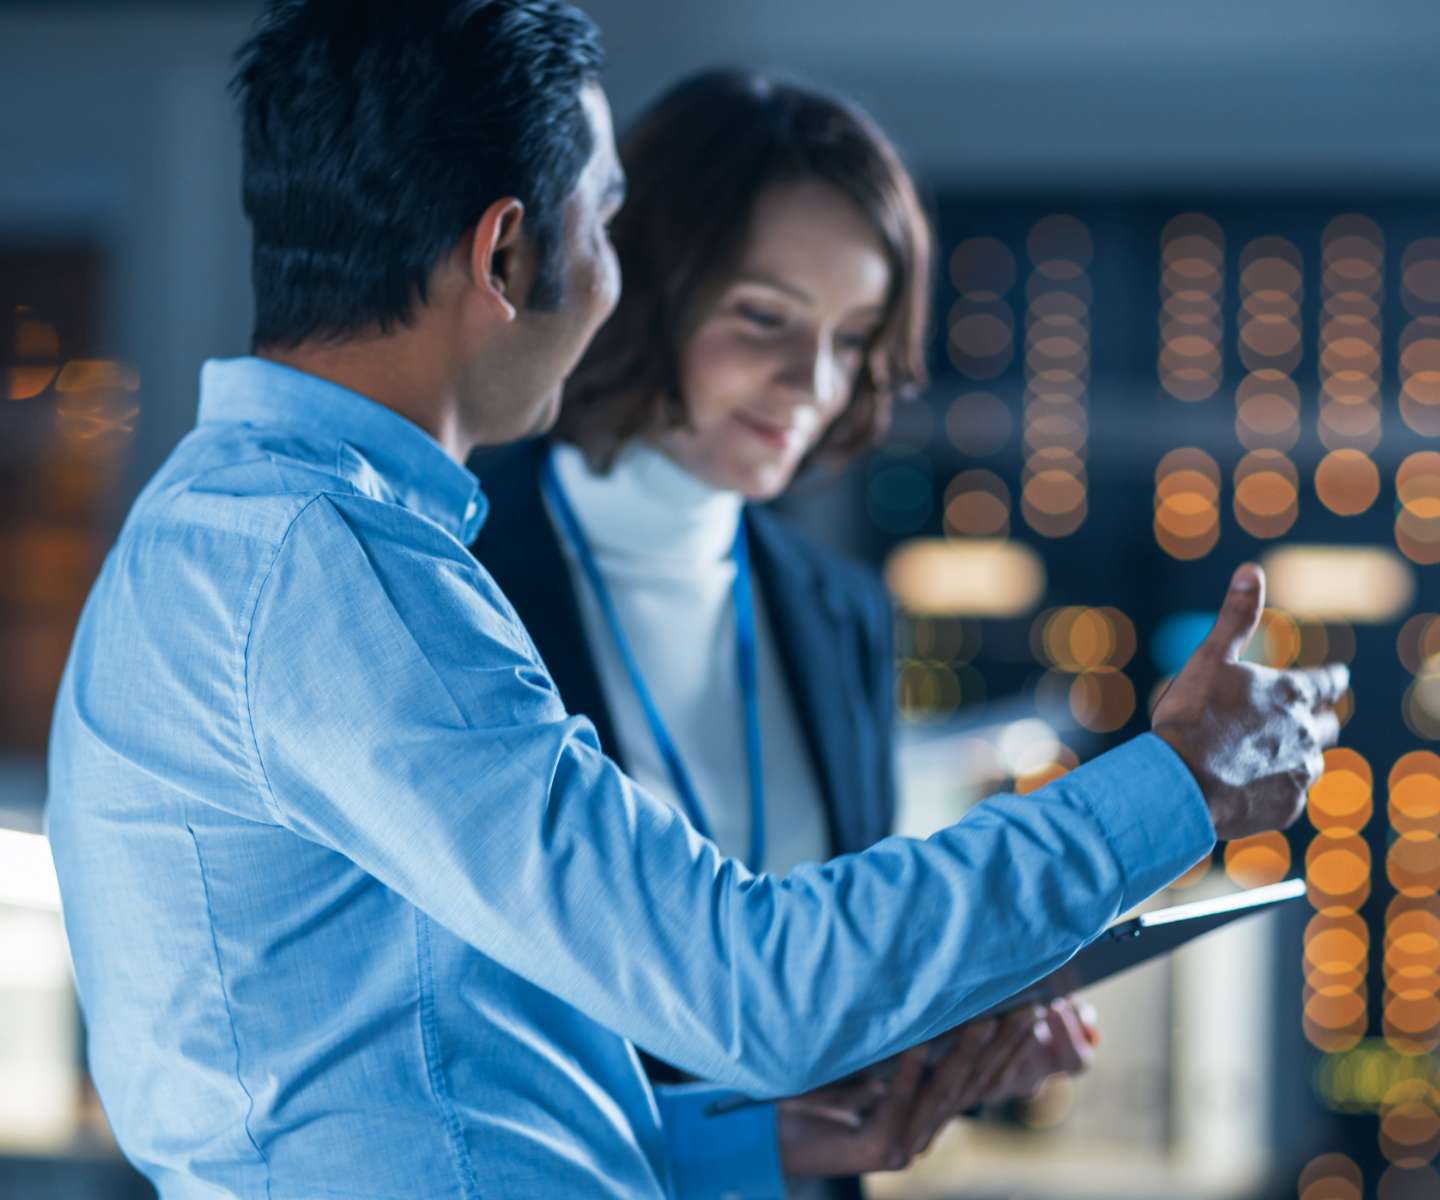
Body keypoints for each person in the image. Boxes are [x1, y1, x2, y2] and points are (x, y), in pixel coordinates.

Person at [44, 3, 1345, 1198]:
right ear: (507, 254)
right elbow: (747, 985)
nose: (622, 280)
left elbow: (420, 1087)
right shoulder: (331, 571)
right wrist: (1181, 778)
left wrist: (751, 1138)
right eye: (608, 226)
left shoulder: (264, 538)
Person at [470, 69, 1100, 1196]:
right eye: (764, 318)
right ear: (643, 286)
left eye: (853, 338)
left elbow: (830, 991)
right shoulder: (464, 570)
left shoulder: (840, 610)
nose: (813, 383)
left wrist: (956, 1032)